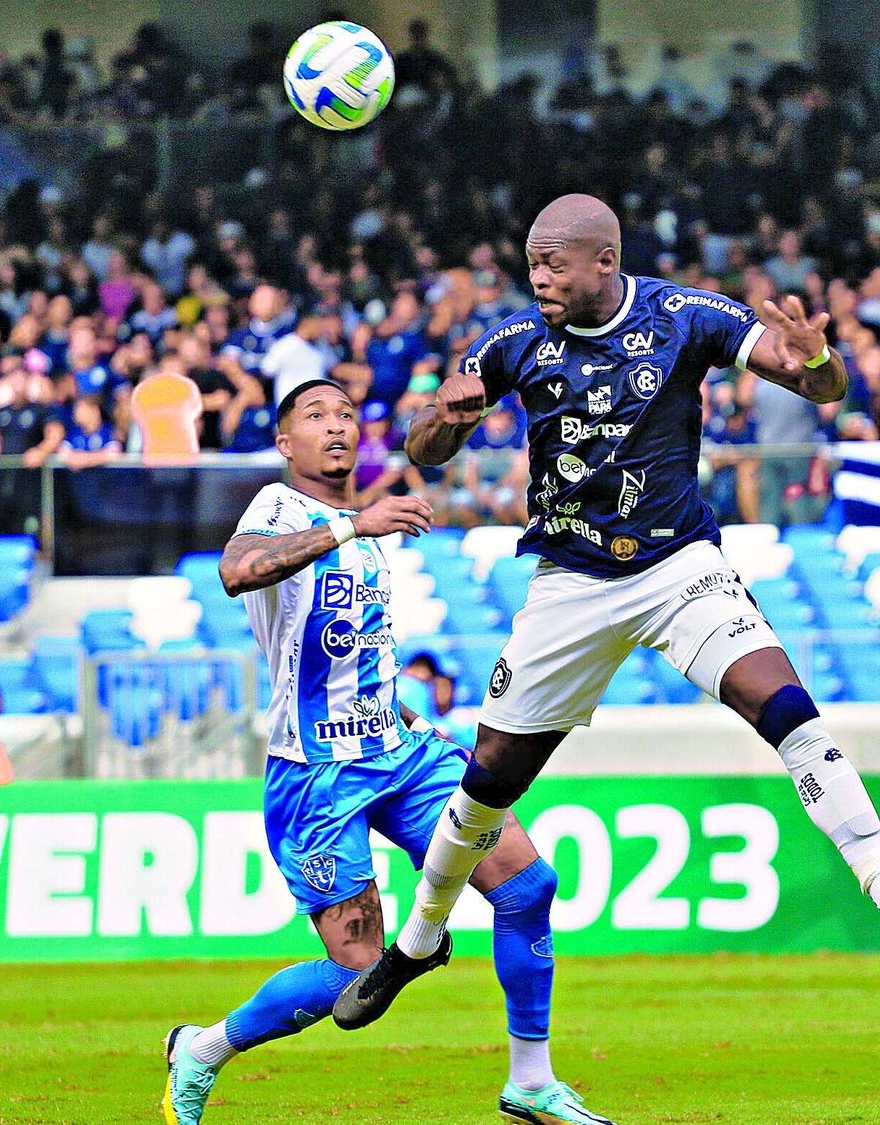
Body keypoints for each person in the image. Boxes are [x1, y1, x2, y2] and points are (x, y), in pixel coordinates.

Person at [334, 194, 880, 1035]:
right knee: (489, 779)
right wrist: (441, 421)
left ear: (605, 260)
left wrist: (821, 360)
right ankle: (416, 943)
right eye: (532, 264)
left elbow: (817, 382)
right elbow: (424, 447)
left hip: (679, 566)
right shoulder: (513, 341)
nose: (539, 279)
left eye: (553, 264)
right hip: (569, 582)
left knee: (788, 709)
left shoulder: (686, 316)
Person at [160, 378, 612, 1125]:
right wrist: (353, 526)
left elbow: (355, 650)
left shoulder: (361, 532)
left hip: (399, 755)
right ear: (285, 443)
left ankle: (530, 1079)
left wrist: (407, 714)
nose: (336, 425)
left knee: (528, 887)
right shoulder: (281, 508)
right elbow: (237, 571)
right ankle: (203, 1049)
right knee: (359, 972)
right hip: (316, 776)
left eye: (345, 413)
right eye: (315, 416)